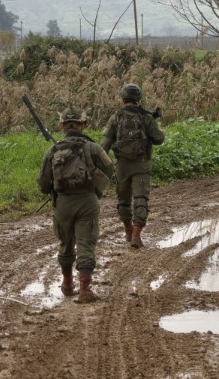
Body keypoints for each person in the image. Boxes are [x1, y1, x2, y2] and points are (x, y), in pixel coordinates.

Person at [37, 107, 113, 303]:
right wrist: (96, 187)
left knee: (65, 244)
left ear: (62, 125)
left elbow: (43, 183)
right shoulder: (93, 148)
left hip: (62, 203)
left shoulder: (52, 151)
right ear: (83, 125)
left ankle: (67, 284)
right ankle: (85, 289)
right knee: (86, 243)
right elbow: (108, 167)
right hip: (87, 201)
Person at [100, 83, 164, 249]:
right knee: (140, 198)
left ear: (122, 98)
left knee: (123, 200)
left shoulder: (116, 117)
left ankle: (128, 229)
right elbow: (159, 139)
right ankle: (136, 234)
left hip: (121, 165)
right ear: (138, 99)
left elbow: (105, 144)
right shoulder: (145, 117)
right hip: (141, 164)